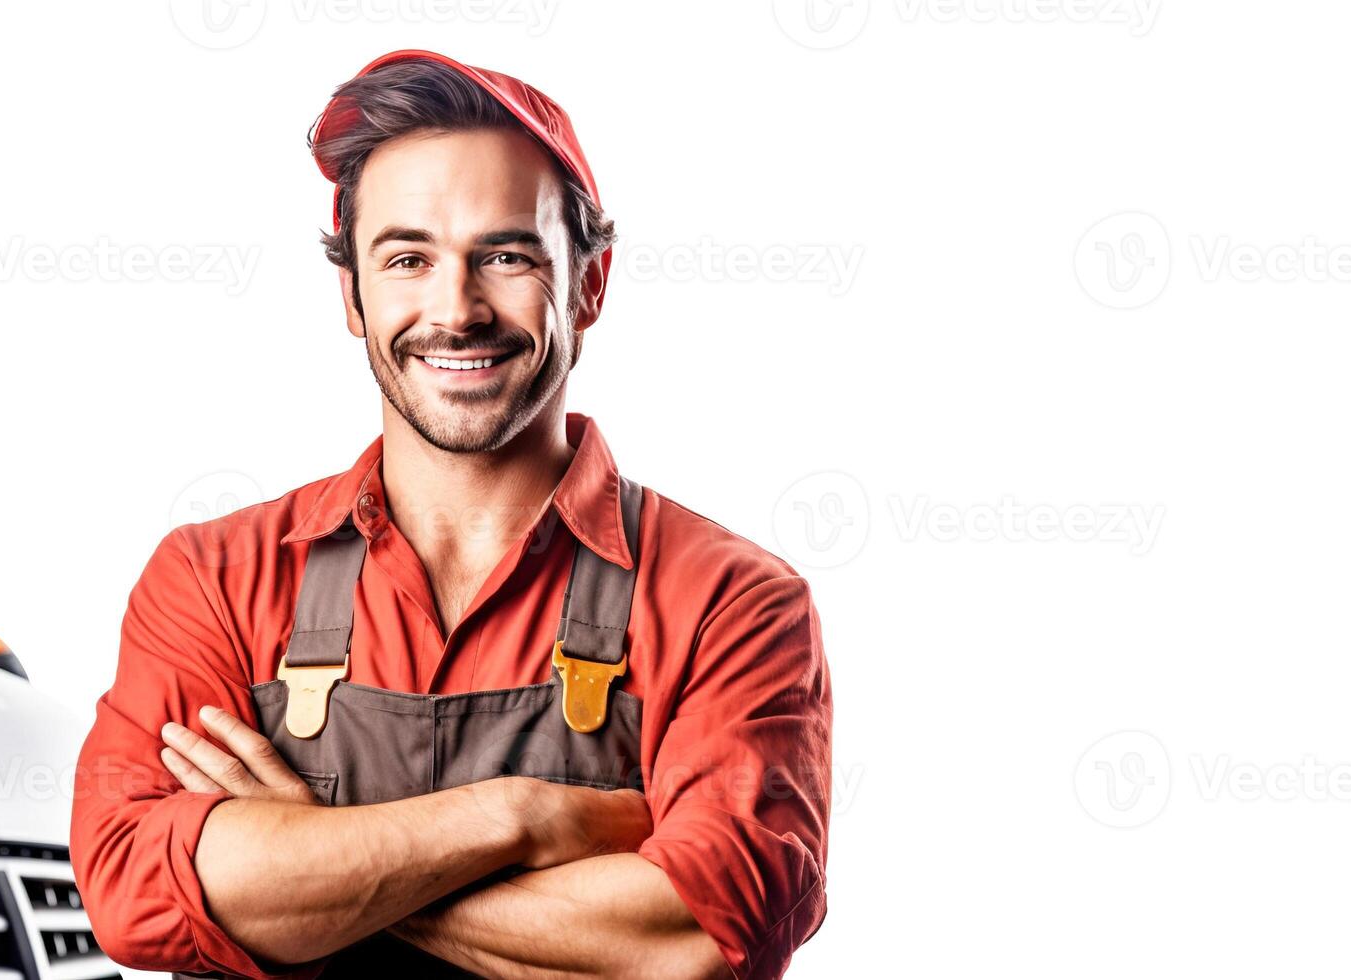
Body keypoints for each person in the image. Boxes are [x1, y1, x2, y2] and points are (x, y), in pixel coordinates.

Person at [68, 49, 831, 979]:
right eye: (407, 258)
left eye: (505, 255)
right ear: (351, 291)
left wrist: (306, 856)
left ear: (589, 285)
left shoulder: (730, 600)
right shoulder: (213, 578)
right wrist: (520, 818)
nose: (455, 309)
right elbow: (129, 893)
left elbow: (692, 943)